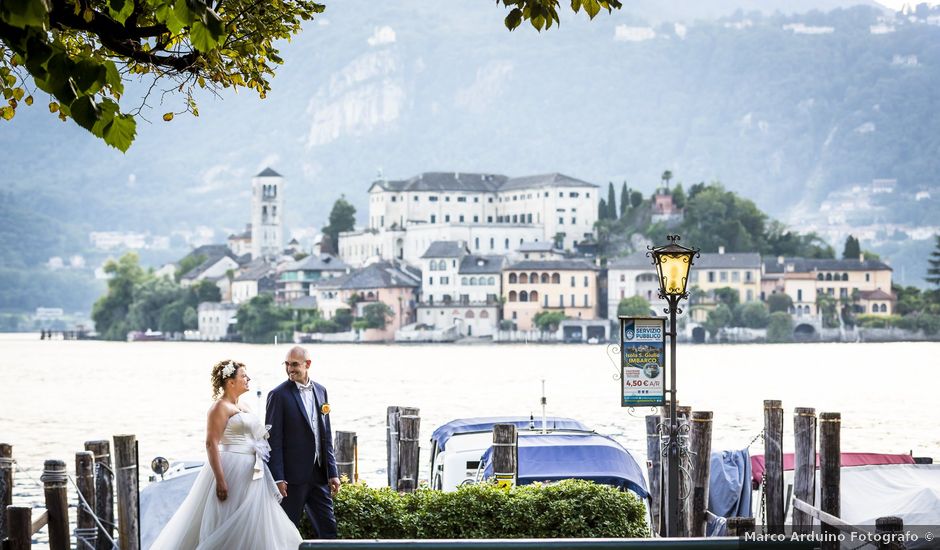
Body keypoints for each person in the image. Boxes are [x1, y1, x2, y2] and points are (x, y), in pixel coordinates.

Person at [150, 360, 302, 550]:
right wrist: (220, 479)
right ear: (231, 382)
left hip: (253, 471)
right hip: (231, 468)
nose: (248, 379)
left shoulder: (245, 406)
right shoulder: (219, 407)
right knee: (228, 517)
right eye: (243, 376)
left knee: (254, 518)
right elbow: (211, 443)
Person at [265, 346, 341, 538]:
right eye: (287, 364)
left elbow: (326, 435)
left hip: (319, 476)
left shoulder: (321, 391)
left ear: (307, 364)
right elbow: (274, 441)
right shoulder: (278, 395)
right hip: (291, 480)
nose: (290, 369)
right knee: (286, 532)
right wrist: (278, 478)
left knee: (328, 530)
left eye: (295, 364)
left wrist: (332, 472)